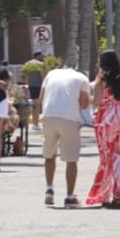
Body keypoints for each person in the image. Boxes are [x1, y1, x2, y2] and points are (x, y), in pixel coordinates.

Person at [87, 50, 120, 209]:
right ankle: (119, 196)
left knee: (106, 159)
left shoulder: (101, 79)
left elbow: (97, 102)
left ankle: (104, 194)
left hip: (105, 122)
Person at [40, 60, 91, 207]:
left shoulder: (51, 74)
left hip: (48, 115)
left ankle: (49, 189)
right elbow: (84, 104)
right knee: (71, 159)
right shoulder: (82, 78)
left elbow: (41, 97)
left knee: (49, 154)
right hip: (68, 118)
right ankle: (69, 196)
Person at [26, 52, 47, 132]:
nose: (42, 57)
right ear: (37, 56)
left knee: (34, 106)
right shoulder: (40, 64)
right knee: (38, 106)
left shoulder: (28, 64)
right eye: (41, 56)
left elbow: (25, 76)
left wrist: (27, 84)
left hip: (31, 86)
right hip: (39, 86)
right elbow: (42, 76)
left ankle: (35, 123)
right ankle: (36, 124)